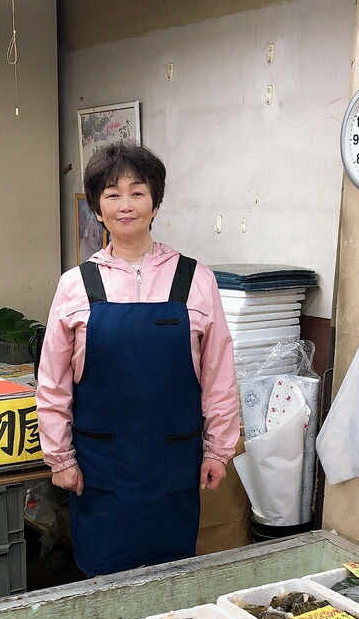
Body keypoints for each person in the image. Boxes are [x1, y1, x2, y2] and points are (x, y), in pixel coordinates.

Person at [36, 143, 239, 577]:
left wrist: (218, 450)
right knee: (104, 578)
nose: (125, 205)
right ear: (96, 207)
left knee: (171, 583)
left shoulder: (195, 278)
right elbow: (52, 383)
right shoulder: (75, 285)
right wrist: (61, 458)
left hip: (174, 466)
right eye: (112, 194)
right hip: (100, 471)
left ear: (155, 201)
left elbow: (219, 374)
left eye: (137, 192)